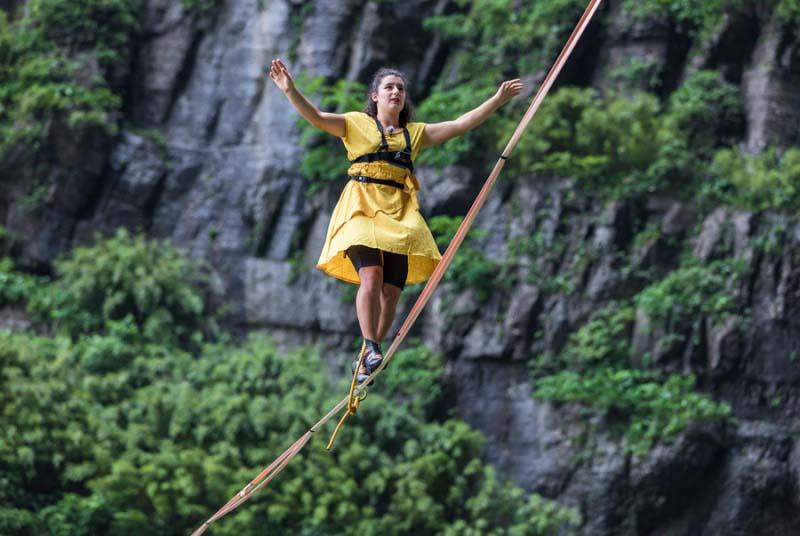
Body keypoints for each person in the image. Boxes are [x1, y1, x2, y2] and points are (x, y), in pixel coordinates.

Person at [268, 59, 522, 383]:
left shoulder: (414, 134)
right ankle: (371, 346)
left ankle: (367, 353)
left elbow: (460, 124)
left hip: (399, 216)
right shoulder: (356, 124)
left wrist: (497, 100)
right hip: (361, 207)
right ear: (375, 95)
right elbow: (316, 118)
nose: (396, 92)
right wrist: (291, 90)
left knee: (391, 293)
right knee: (371, 277)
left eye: (400, 88)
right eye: (389, 87)